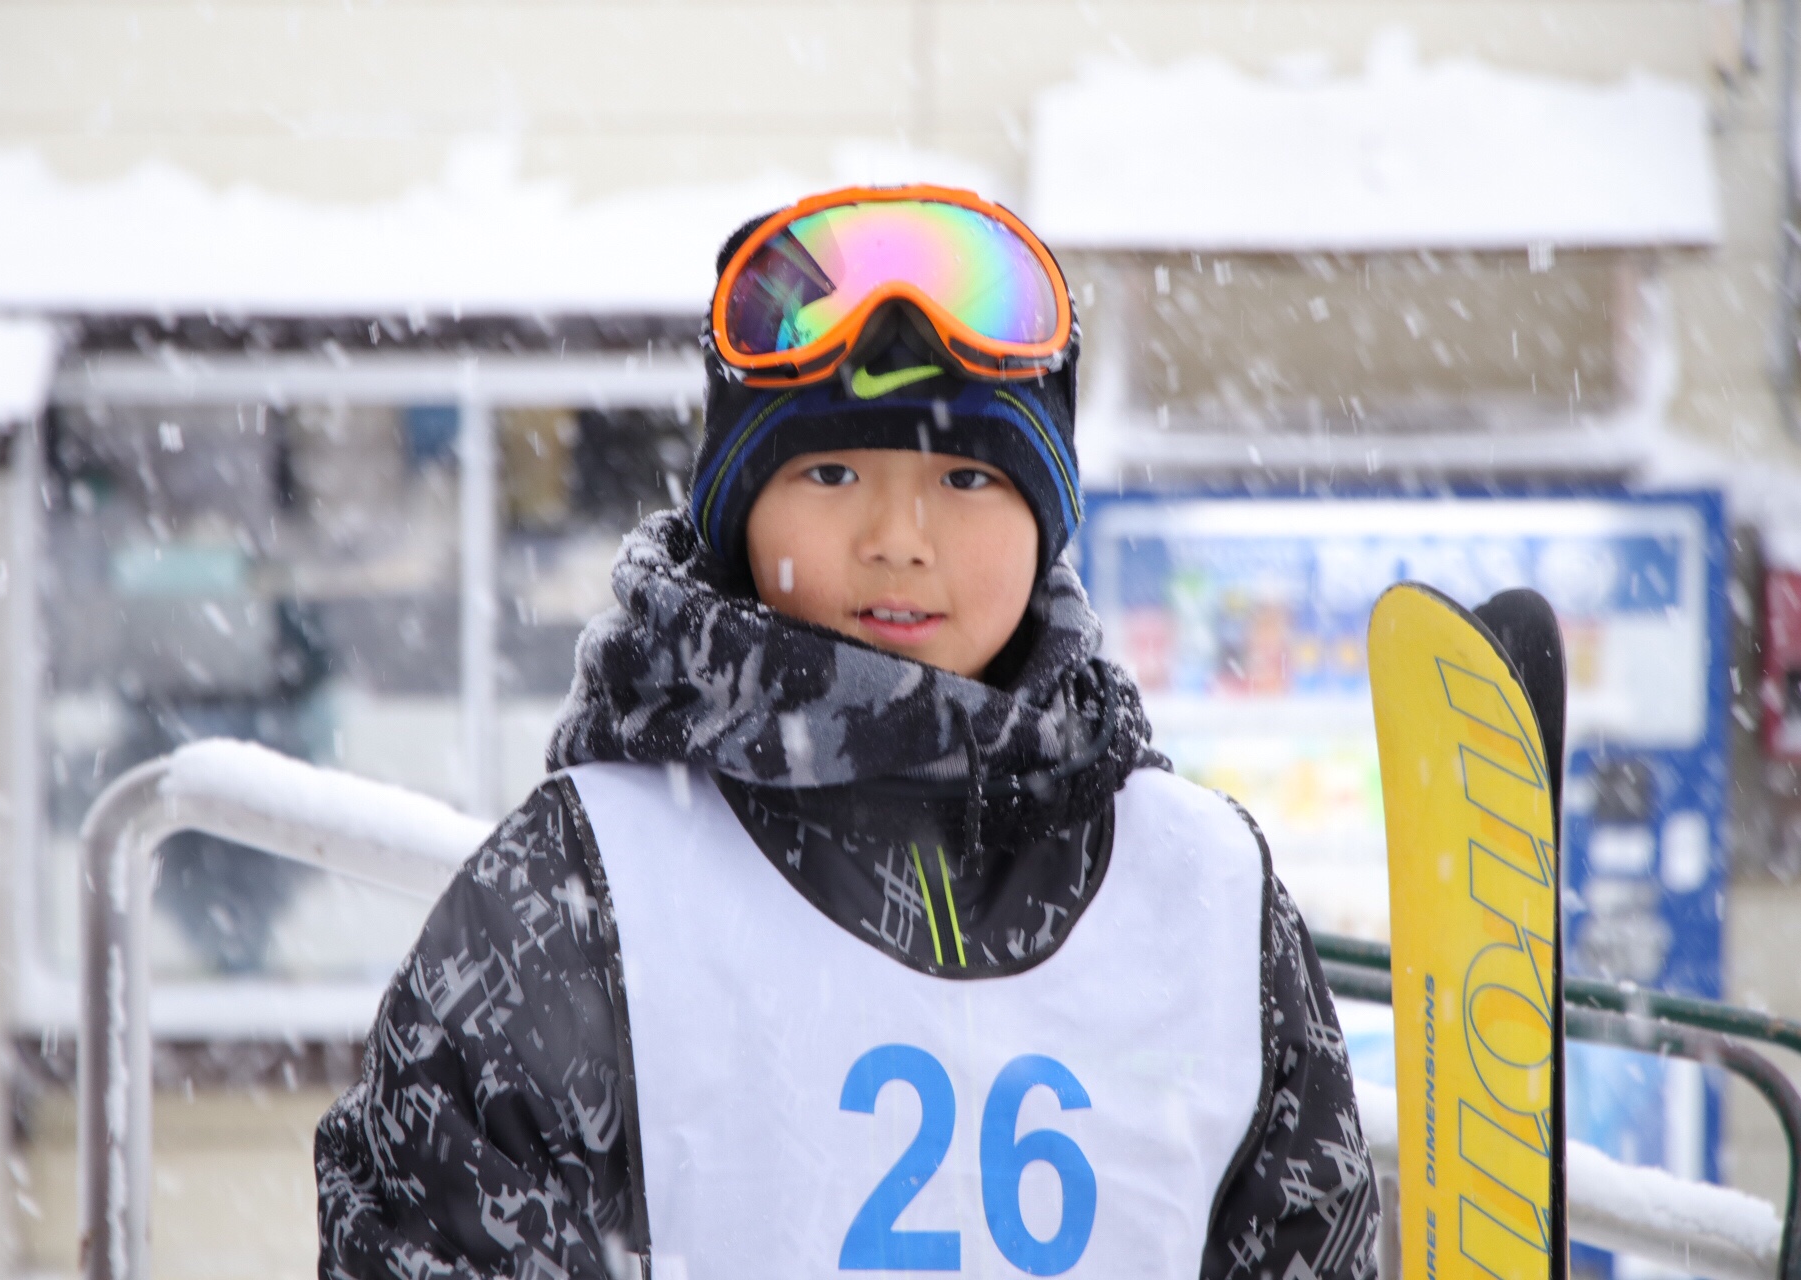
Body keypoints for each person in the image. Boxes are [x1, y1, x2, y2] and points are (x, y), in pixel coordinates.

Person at [316, 185, 1378, 1280]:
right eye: (830, 472)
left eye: (967, 477)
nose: (898, 537)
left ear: (1045, 522)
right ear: (741, 517)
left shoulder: (1203, 894)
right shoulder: (583, 888)